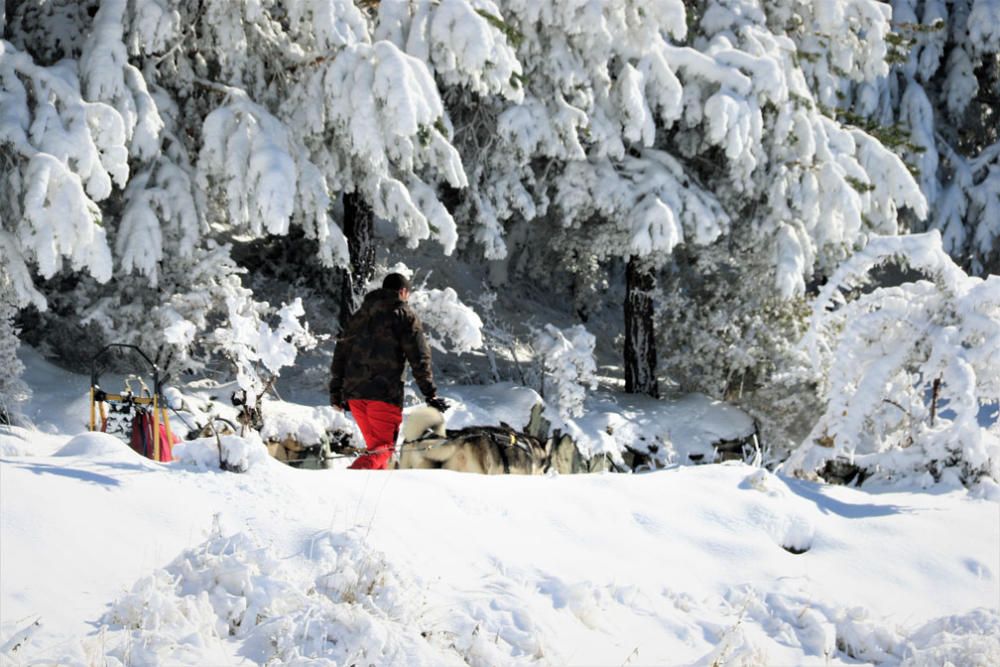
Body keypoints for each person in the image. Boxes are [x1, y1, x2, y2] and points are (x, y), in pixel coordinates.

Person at [329, 273, 449, 469]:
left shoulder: (359, 316)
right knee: (384, 450)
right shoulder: (404, 315)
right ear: (403, 292)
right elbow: (419, 358)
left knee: (377, 453)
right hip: (384, 395)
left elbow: (340, 353)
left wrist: (336, 392)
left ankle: (368, 498)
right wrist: (430, 394)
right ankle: (347, 482)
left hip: (355, 395)